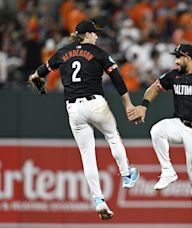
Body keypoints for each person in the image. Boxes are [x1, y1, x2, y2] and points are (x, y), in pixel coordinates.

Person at [28, 20, 140, 220]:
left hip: (74, 108)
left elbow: (37, 75)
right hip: (96, 103)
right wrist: (128, 105)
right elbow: (117, 79)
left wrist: (37, 81)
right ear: (87, 34)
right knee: (113, 137)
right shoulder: (99, 53)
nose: (97, 36)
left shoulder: (62, 52)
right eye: (94, 33)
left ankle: (98, 199)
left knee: (87, 155)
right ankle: (126, 175)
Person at [128, 44, 192, 228]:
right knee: (157, 130)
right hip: (179, 123)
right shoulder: (175, 75)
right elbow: (154, 88)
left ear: (187, 57)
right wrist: (143, 105)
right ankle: (167, 171)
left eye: (178, 57)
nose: (175, 60)